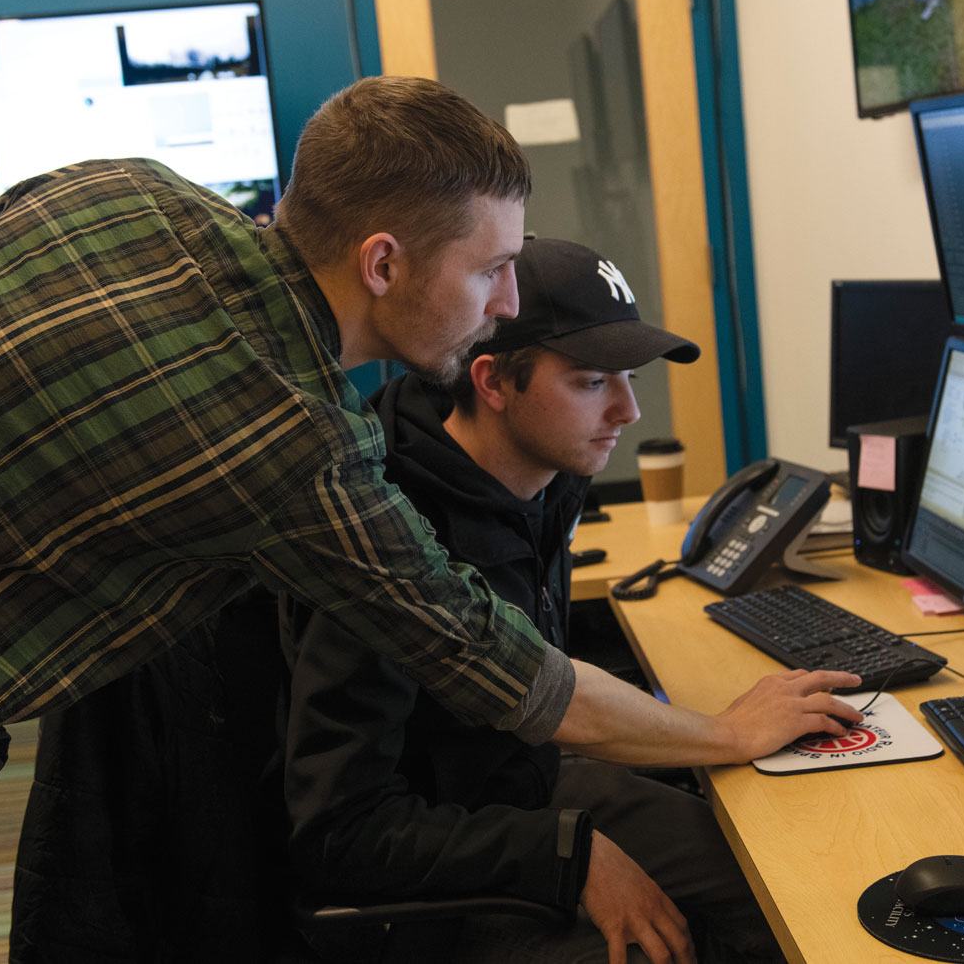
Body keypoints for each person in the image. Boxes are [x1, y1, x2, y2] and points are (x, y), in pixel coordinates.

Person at [0, 76, 861, 963]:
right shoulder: (287, 444)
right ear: (383, 262)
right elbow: (505, 674)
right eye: (488, 270)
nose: (502, 303)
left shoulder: (120, 191)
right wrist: (724, 732)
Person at [282, 237, 781, 964]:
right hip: (436, 862)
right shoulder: (383, 543)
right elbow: (343, 833)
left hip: (521, 786)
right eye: (590, 382)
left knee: (768, 872)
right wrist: (567, 857)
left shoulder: (544, 472)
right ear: (491, 381)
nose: (628, 409)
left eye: (629, 377)